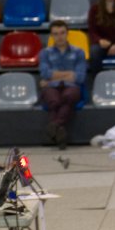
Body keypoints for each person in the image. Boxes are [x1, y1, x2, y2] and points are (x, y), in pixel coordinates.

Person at [39, 20, 87, 148]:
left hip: (71, 87)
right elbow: (45, 73)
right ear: (51, 36)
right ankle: (60, 134)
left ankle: (53, 127)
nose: (59, 37)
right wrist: (69, 74)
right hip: (52, 87)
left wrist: (53, 76)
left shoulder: (79, 52)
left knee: (68, 96)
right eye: (55, 34)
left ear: (67, 33)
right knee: (54, 101)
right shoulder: (45, 53)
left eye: (62, 33)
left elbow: (80, 77)